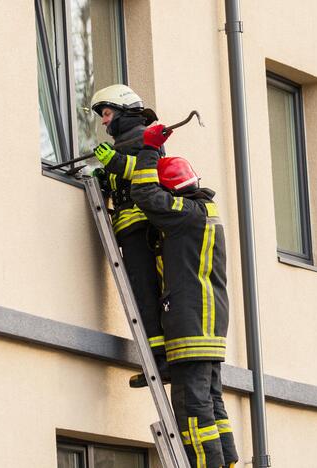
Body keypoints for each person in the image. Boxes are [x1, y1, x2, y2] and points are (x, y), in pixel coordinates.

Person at [129, 124, 239, 468]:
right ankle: (226, 461)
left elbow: (146, 196)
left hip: (190, 322)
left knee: (192, 406)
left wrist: (147, 151)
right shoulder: (205, 213)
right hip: (208, 323)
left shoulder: (185, 216)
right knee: (210, 401)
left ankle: (206, 465)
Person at [89, 84, 169, 388]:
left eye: (107, 114)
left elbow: (152, 172)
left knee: (147, 296)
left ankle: (159, 361)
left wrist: (114, 164)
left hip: (142, 230)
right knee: (141, 297)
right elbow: (124, 178)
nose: (104, 122)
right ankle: (155, 358)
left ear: (123, 110)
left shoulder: (146, 139)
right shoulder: (127, 141)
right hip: (130, 230)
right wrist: (106, 177)